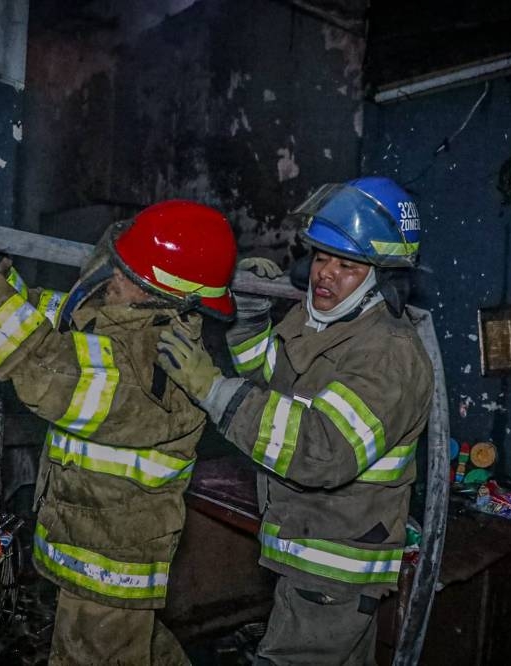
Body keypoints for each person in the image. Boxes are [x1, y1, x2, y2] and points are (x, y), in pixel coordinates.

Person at [0, 199, 238, 665]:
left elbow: (39, 360)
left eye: (123, 269)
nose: (110, 275)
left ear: (154, 290)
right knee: (141, 652)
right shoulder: (129, 322)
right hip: (95, 542)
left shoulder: (145, 361)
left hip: (110, 562)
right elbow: (43, 318)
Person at [157, 177, 434, 665]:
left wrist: (210, 388)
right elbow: (269, 380)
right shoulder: (324, 325)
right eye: (322, 258)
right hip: (305, 546)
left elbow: (320, 450)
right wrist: (248, 320)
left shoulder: (388, 354)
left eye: (347, 265)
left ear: (382, 277)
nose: (326, 274)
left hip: (334, 568)